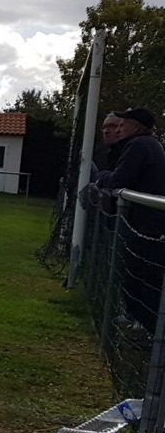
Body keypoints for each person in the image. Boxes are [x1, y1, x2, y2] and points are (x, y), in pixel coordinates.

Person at [94, 107, 165, 330]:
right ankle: (138, 319)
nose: (118, 129)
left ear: (136, 127)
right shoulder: (149, 144)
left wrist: (101, 177)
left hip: (145, 224)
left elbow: (118, 180)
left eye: (122, 125)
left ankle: (145, 325)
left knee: (140, 273)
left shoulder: (138, 145)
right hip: (146, 222)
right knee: (138, 272)